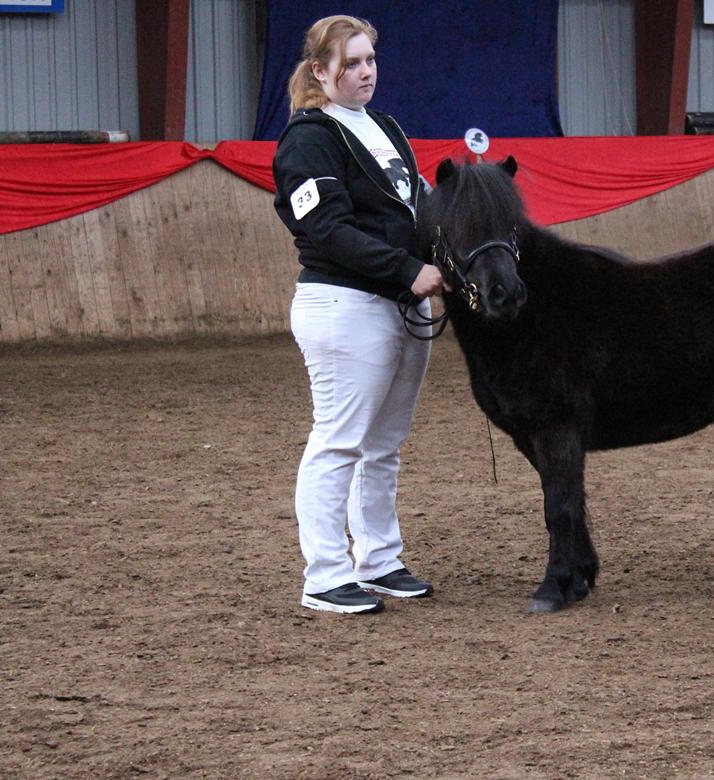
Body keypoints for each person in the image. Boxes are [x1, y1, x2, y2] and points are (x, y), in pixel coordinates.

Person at [272, 15, 447, 615]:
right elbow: (324, 227)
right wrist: (407, 271)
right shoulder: (309, 137)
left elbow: (416, 209)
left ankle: (378, 560)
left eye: (370, 58)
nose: (365, 71)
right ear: (320, 71)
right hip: (345, 304)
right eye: (350, 62)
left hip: (401, 305)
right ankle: (324, 573)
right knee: (340, 441)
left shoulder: (385, 128)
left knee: (384, 445)